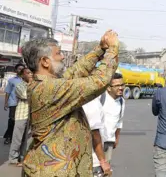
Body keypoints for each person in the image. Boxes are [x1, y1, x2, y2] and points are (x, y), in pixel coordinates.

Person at [21, 30, 119, 176]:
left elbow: (76, 71)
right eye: (58, 53)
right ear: (45, 61)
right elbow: (98, 81)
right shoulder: (49, 89)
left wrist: (100, 49)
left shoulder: (47, 83)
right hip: (54, 171)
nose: (62, 57)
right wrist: (113, 49)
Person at [8, 68, 33, 166]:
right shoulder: (19, 86)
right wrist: (31, 84)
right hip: (21, 115)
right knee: (17, 138)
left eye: (31, 73)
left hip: (30, 116)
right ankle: (13, 158)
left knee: (25, 139)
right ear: (23, 75)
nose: (30, 75)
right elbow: (25, 95)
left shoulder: (32, 85)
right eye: (28, 73)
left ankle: (22, 157)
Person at [3, 63, 25, 145]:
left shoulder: (27, 80)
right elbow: (8, 92)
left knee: (21, 122)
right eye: (19, 69)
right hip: (13, 103)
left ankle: (18, 138)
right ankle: (8, 137)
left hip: (23, 104)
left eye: (22, 69)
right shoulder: (12, 80)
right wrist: (5, 103)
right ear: (16, 70)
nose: (21, 70)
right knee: (12, 120)